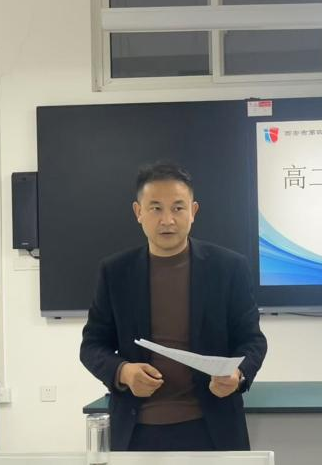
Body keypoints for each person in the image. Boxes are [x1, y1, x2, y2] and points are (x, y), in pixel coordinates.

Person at [80, 162, 267, 452]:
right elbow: (92, 346)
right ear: (138, 212)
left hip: (212, 429)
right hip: (136, 431)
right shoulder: (115, 272)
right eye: (155, 208)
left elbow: (252, 340)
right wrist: (124, 372)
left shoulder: (228, 268)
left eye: (178, 208)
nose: (167, 220)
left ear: (193, 211)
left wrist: (238, 375)